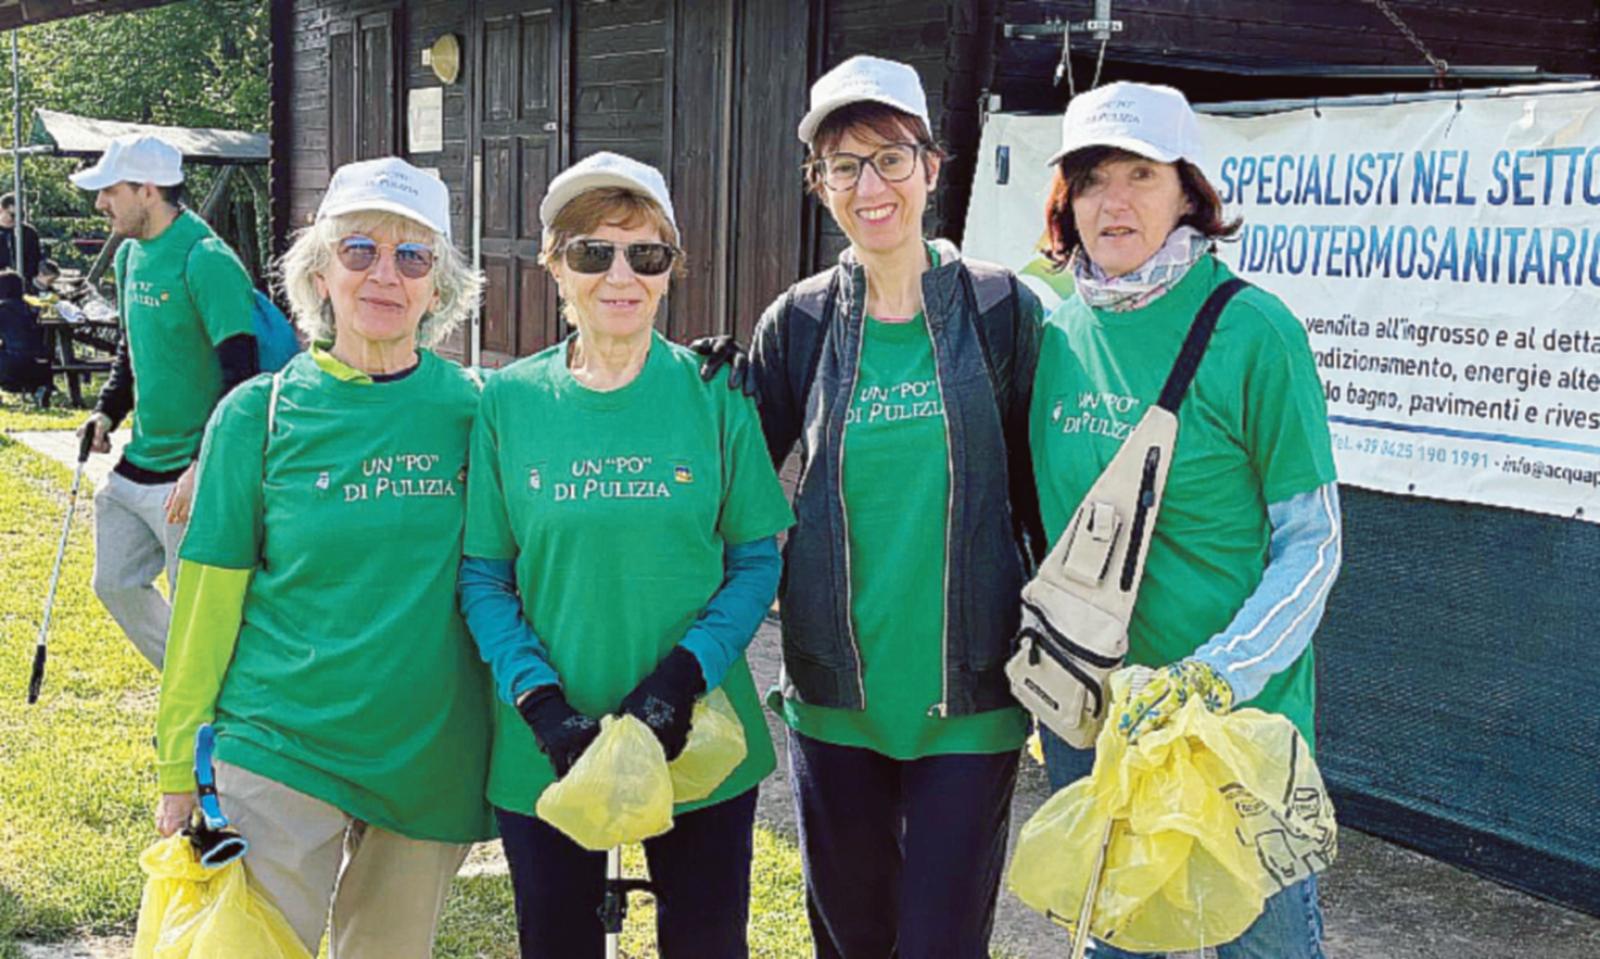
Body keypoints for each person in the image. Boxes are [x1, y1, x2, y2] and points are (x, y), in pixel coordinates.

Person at [704, 56, 1046, 957]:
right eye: (844, 165)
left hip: (970, 696)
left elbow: (1048, 494)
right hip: (836, 698)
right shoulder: (801, 321)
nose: (871, 185)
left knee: (940, 944)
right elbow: (734, 485)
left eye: (891, 157)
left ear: (933, 167)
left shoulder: (1002, 310)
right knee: (853, 941)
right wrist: (689, 395)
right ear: (819, 185)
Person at [153, 156, 494, 957]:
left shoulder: (481, 411)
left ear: (438, 287)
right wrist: (178, 761)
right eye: (359, 250)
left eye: (412, 257)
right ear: (318, 271)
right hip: (280, 743)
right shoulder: (256, 414)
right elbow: (205, 604)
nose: (385, 274)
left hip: (428, 757)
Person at [1032, 81, 1342, 958]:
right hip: (1099, 724)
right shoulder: (1055, 334)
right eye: (1092, 179)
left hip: (1240, 734)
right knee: (1119, 947)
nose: (1114, 201)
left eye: (1141, 172)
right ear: (1067, 201)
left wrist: (1218, 674)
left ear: (1188, 190)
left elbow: (1313, 543)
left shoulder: (1255, 330)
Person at [459, 151, 793, 959]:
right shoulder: (508, 402)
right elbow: (484, 574)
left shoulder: (716, 392)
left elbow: (755, 557)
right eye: (591, 251)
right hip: (547, 741)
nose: (620, 274)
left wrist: (681, 680)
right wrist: (539, 701)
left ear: (670, 271)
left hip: (698, 731)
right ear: (554, 266)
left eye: (646, 253)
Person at [71, 134, 258, 669]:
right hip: (138, 466)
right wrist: (107, 411)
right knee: (114, 582)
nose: (100, 203)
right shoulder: (129, 256)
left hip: (190, 476)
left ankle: (200, 714)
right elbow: (133, 352)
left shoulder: (206, 259)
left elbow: (241, 378)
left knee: (198, 608)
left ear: (147, 190)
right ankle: (188, 680)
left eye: (109, 190)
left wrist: (206, 464)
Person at [0, 269, 50, 402]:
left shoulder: (3, 309)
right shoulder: (32, 308)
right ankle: (38, 390)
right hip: (40, 366)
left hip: (11, 366)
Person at [0, 191, 43, 285]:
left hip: (24, 284)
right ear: (1, 210)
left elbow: (36, 259)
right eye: (13, 215)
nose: (16, 219)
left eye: (21, 215)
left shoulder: (29, 233)